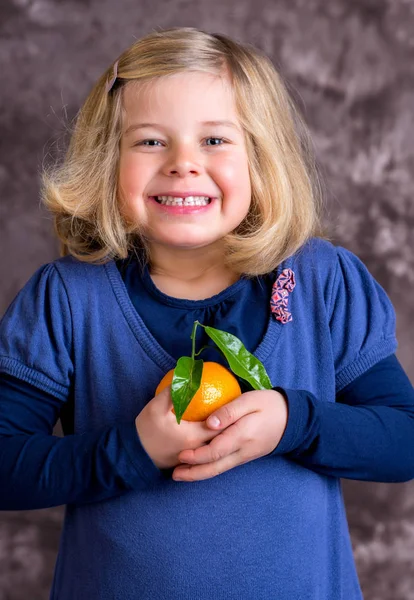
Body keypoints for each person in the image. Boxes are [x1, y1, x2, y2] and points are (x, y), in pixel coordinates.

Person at [0, 26, 413, 600]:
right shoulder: (68, 299)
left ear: (261, 158)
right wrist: (133, 450)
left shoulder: (322, 283)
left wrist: (293, 423)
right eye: (149, 142)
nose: (182, 165)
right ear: (106, 159)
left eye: (215, 140)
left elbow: (403, 439)